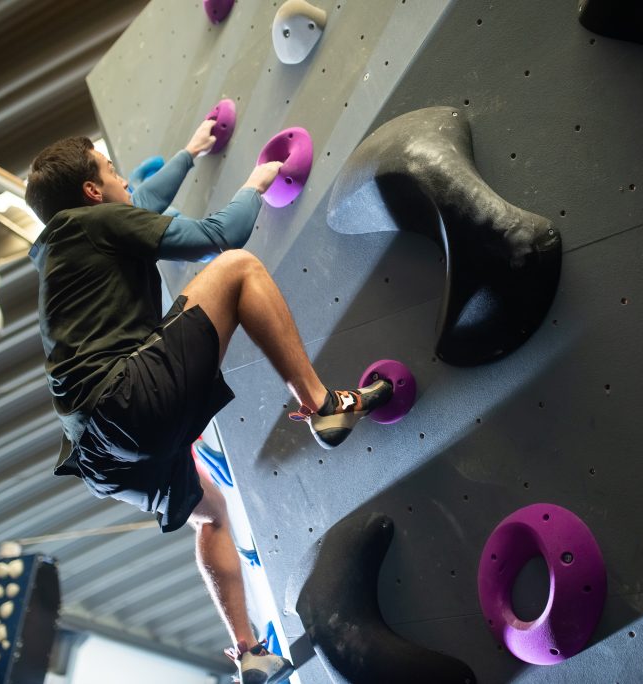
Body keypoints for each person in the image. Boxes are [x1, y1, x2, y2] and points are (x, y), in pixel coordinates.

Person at [25, 119, 393, 683]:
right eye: (110, 171)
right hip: (126, 398)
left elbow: (142, 200)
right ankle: (322, 405)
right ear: (92, 193)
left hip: (100, 457)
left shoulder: (62, 244)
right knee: (236, 269)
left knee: (212, 513)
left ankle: (247, 650)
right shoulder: (97, 223)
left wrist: (191, 150)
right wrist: (257, 180)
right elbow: (222, 234)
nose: (123, 178)